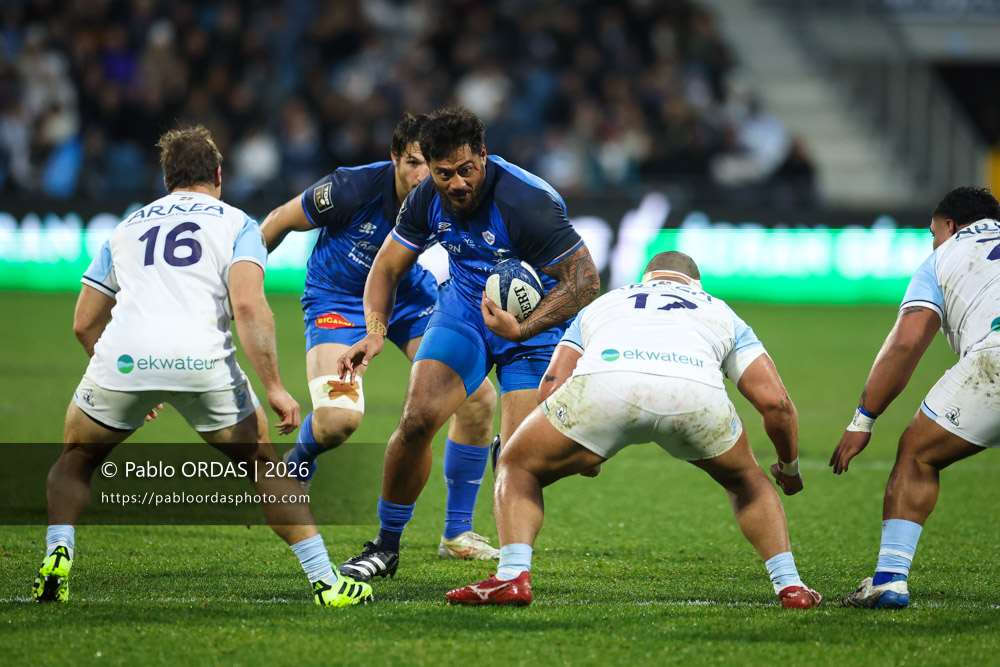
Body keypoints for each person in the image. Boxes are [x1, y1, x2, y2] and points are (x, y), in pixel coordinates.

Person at [32, 126, 372, 608]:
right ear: (218, 175)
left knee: (76, 457)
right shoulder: (238, 224)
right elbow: (249, 307)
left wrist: (123, 374)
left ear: (166, 179)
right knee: (262, 464)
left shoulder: (126, 227)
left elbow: (84, 322)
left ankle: (58, 554)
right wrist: (275, 386)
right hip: (202, 361)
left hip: (124, 359)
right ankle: (326, 582)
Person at [446, 251, 822, 609]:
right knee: (747, 482)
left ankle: (512, 576)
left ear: (645, 279)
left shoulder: (607, 302)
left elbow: (552, 384)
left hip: (606, 386)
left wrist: (582, 447)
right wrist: (789, 468)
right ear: (696, 285)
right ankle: (790, 586)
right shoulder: (720, 311)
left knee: (516, 464)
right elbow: (777, 404)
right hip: (694, 395)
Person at [336, 107, 600, 582]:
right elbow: (386, 267)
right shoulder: (425, 198)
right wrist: (375, 331)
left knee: (521, 461)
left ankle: (515, 558)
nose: (456, 183)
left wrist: (522, 330)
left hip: (533, 325)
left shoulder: (525, 202)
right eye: (443, 173)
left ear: (483, 155)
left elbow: (585, 280)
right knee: (416, 419)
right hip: (465, 309)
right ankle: (386, 546)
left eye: (466, 170)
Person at [259, 113, 499, 562]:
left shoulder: (450, 193)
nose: (424, 175)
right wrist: (245, 285)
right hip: (338, 300)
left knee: (479, 398)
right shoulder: (350, 187)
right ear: (394, 159)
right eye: (413, 163)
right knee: (338, 421)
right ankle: (297, 463)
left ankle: (457, 534)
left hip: (406, 295)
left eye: (431, 164)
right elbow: (278, 220)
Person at [830, 186, 1000, 609]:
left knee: (917, 454)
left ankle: (889, 580)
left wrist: (863, 419)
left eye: (933, 233)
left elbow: (906, 343)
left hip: (994, 360)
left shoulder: (942, 258)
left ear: (950, 226)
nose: (933, 241)